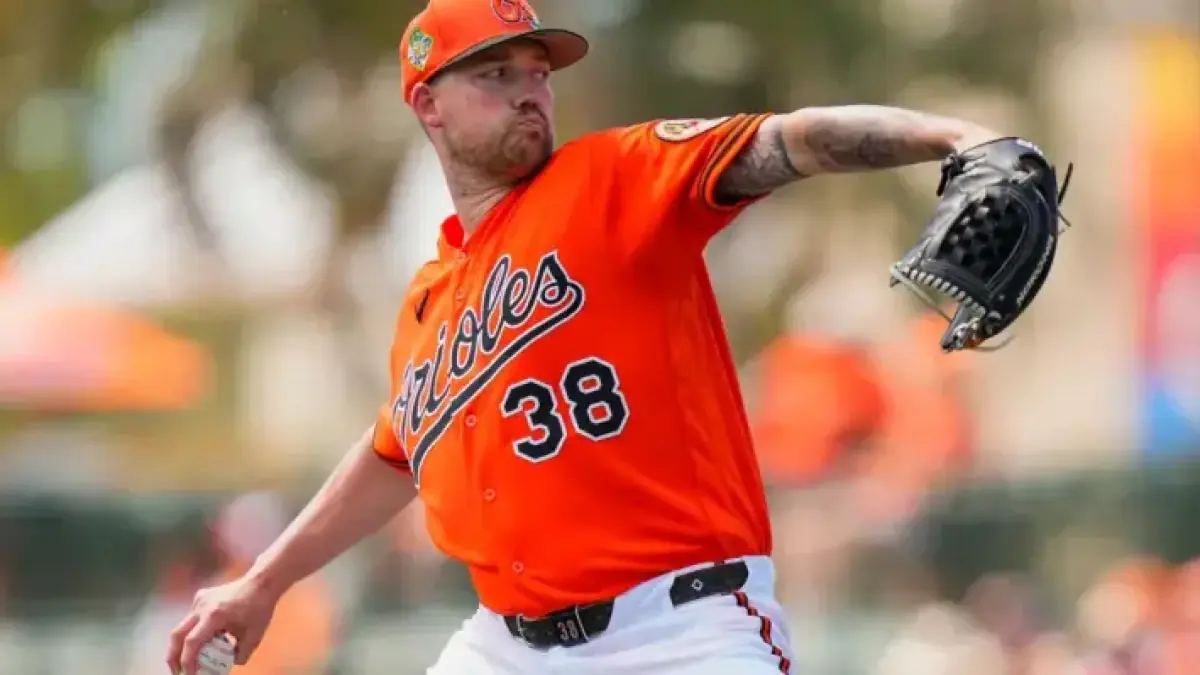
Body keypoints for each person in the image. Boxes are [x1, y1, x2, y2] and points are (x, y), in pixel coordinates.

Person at [166, 0, 1015, 673]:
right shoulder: (430, 301)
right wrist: (263, 581)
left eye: (537, 73)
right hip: (505, 643)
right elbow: (397, 452)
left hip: (681, 628)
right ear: (427, 103)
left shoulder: (615, 176)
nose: (529, 91)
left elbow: (787, 140)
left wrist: (957, 138)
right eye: (495, 74)